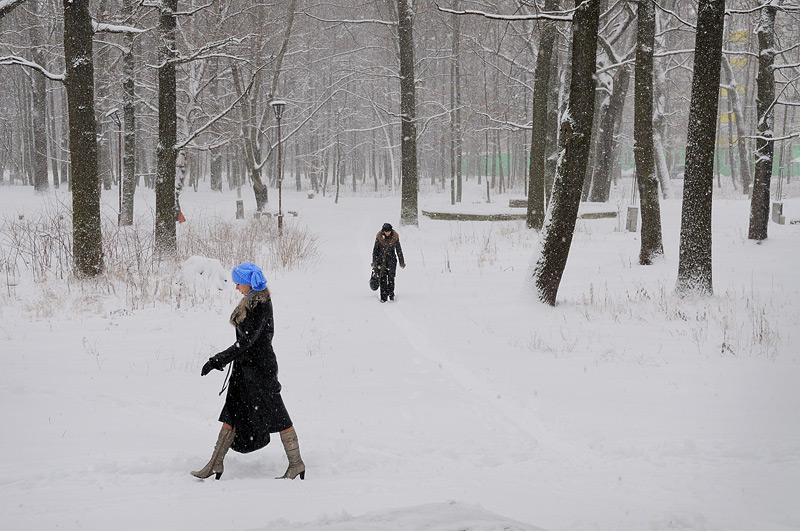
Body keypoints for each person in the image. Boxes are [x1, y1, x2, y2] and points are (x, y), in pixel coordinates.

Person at [191, 262, 305, 481]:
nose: (236, 287)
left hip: (261, 370)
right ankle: (215, 463)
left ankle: (296, 463)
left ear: (248, 282)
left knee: (278, 414)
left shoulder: (259, 304)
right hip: (245, 370)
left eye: (238, 283)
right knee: (232, 411)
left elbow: (246, 343)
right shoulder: (251, 301)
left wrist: (218, 359)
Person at [371, 222, 406, 303]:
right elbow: (375, 251)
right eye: (386, 231)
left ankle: (391, 295)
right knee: (382, 279)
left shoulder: (395, 237)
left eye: (389, 231)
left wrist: (402, 262)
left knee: (391, 278)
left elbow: (398, 250)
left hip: (392, 261)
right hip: (381, 262)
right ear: (383, 231)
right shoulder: (379, 238)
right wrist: (374, 263)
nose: (387, 233)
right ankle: (383, 298)